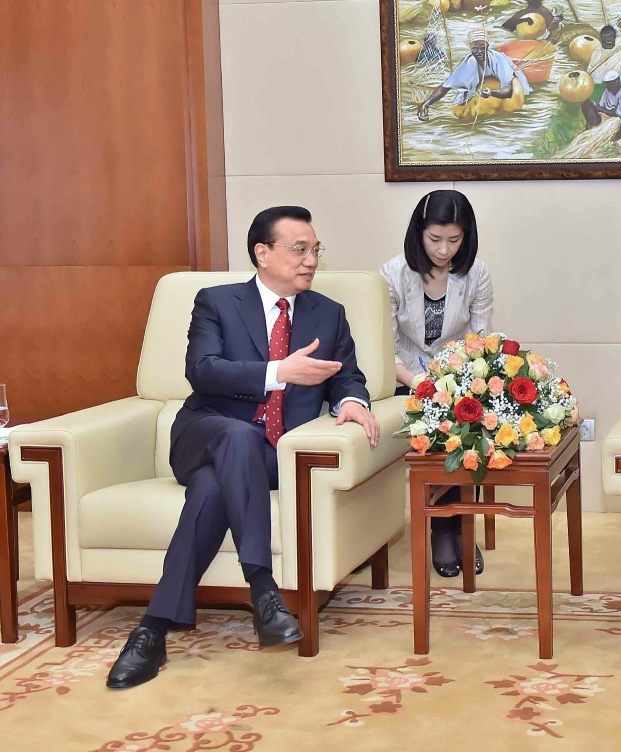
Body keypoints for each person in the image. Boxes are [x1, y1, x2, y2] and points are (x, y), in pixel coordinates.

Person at [105, 206, 381, 689]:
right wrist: (279, 372)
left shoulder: (327, 313)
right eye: (299, 249)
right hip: (203, 435)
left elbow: (347, 376)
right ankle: (263, 588)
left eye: (315, 249)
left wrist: (353, 402)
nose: (311, 260)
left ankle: (152, 630)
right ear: (262, 253)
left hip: (271, 457)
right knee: (238, 436)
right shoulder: (216, 301)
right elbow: (202, 369)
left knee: (213, 489)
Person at [380, 190, 493, 578]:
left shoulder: (477, 274)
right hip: (404, 377)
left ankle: (463, 526)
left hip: (458, 376)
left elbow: (481, 339)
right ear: (419, 232)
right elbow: (385, 347)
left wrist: (457, 382)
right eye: (435, 239)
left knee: (471, 424)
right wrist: (420, 383)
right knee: (436, 426)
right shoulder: (392, 274)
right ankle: (443, 530)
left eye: (454, 240)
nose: (444, 250)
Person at [417, 29, 532, 121]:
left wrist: (491, 93)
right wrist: (425, 104)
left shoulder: (498, 60)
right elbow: (445, 87)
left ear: (487, 47)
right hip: (485, 91)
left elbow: (508, 91)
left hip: (507, 93)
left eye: (482, 48)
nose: (479, 51)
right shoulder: (468, 63)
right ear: (471, 49)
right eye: (475, 48)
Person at [581, 70, 621, 140]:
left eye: (609, 84)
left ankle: (593, 130)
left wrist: (598, 108)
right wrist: (597, 107)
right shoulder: (606, 91)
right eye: (606, 84)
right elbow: (601, 106)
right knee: (587, 103)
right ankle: (591, 127)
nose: (606, 86)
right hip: (604, 116)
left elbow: (617, 115)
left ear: (616, 82)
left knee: (593, 107)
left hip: (614, 120)